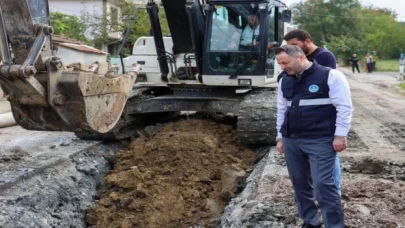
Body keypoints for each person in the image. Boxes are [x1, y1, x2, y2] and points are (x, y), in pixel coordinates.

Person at [275, 45, 353, 228]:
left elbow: (345, 107)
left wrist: (340, 135)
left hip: (320, 140)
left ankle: (334, 225)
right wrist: (280, 137)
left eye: (285, 62)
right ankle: (310, 222)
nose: (282, 67)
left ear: (301, 57)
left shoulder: (331, 76)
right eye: (280, 63)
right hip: (291, 140)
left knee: (323, 186)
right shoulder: (283, 80)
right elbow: (281, 111)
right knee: (300, 185)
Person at [277, 29, 342, 196]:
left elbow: (318, 84)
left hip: (321, 121)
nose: (291, 49)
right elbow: (284, 79)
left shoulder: (324, 57)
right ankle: (316, 195)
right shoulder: (293, 65)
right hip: (301, 123)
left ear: (306, 41)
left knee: (328, 161)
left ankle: (334, 192)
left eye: (294, 45)